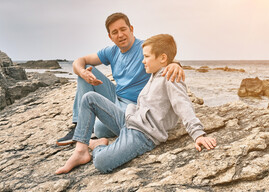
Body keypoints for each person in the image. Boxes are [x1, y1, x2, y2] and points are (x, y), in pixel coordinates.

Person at [55, 34, 216, 174]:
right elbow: (166, 54)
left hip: (142, 134)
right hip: (129, 119)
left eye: (146, 56)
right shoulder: (155, 73)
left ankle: (98, 146)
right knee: (89, 99)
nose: (143, 61)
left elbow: (183, 105)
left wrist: (198, 134)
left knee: (101, 163)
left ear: (162, 58)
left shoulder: (170, 77)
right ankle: (81, 150)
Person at [56, 13, 185, 146]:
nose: (120, 35)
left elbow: (166, 58)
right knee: (87, 69)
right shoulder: (111, 52)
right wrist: (82, 72)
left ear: (131, 29)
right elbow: (79, 61)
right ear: (110, 36)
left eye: (123, 29)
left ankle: (91, 125)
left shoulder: (144, 48)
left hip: (133, 106)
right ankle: (78, 125)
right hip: (115, 96)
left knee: (100, 129)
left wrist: (175, 65)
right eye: (115, 32)